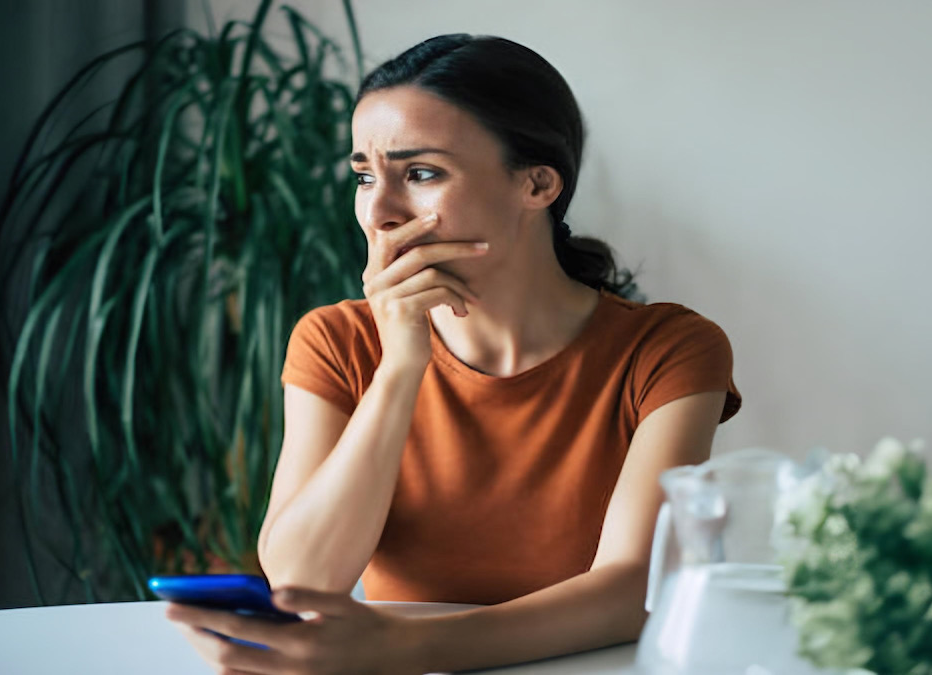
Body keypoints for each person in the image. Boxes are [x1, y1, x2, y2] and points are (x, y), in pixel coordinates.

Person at [166, 33, 741, 674]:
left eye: (421, 173)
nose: (377, 212)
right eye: (363, 176)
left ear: (538, 184)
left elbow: (634, 589)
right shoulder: (336, 341)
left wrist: (406, 649)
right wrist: (401, 366)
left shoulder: (666, 350)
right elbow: (303, 577)